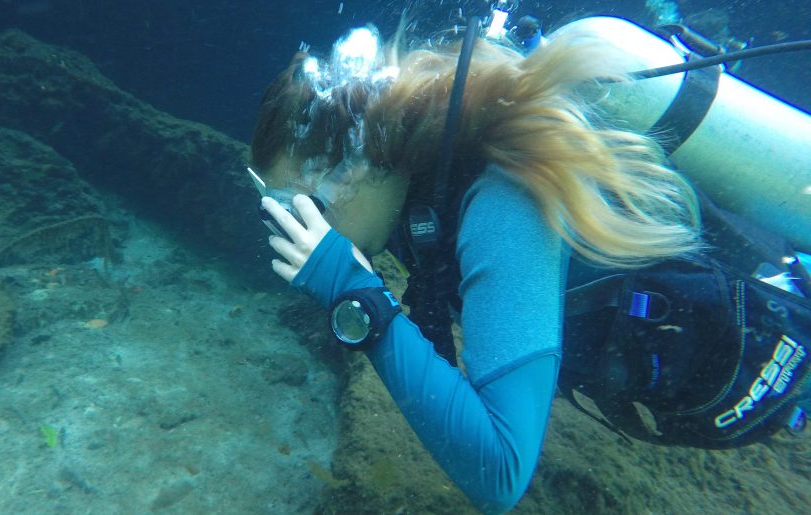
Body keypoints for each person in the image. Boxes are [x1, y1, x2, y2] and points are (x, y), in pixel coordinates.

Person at [249, 22, 704, 513]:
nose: (300, 231)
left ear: (351, 166)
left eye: (303, 208)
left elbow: (501, 474)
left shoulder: (502, 201)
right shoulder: (418, 177)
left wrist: (352, 292)